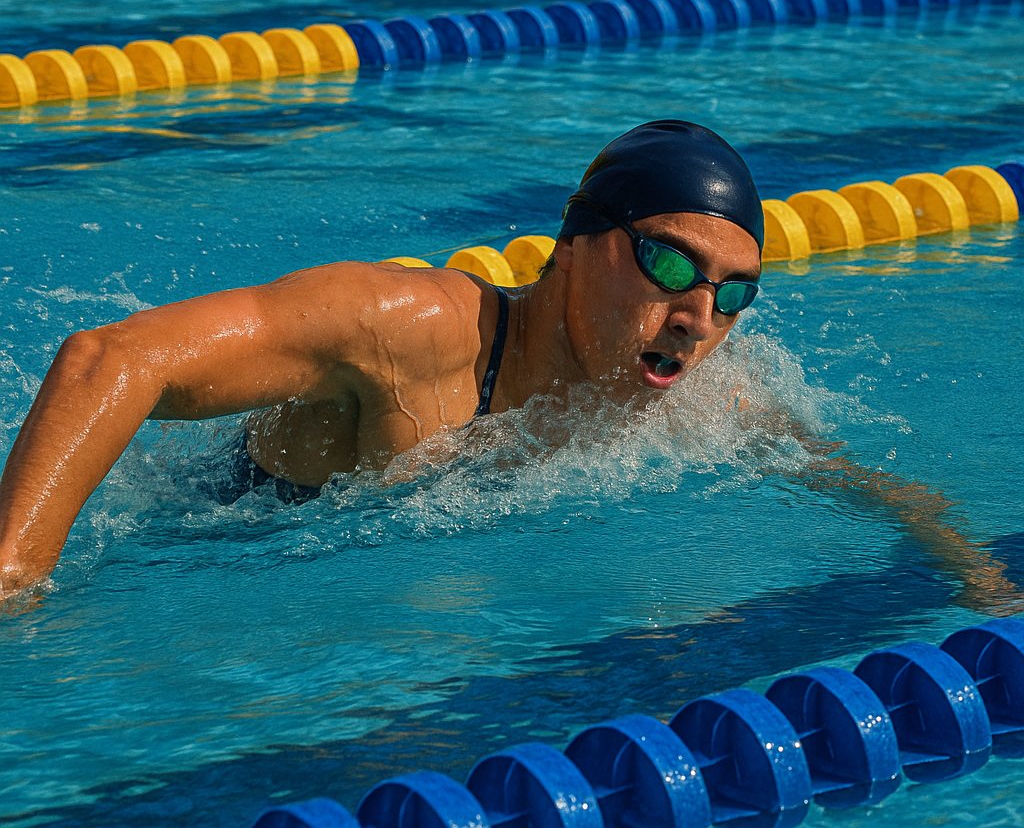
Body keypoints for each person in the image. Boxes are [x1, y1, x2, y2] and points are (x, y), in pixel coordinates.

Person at [1, 119, 1018, 613]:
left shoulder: (709, 399)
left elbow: (859, 482)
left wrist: (978, 577)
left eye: (732, 292)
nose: (697, 316)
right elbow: (109, 358)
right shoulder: (409, 325)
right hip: (201, 532)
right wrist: (14, 573)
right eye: (668, 262)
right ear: (574, 246)